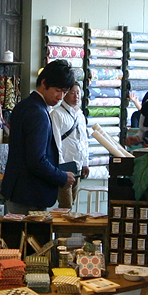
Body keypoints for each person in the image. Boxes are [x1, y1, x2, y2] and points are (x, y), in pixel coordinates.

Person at [0, 59, 78, 295]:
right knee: (24, 259)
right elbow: (36, 161)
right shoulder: (37, 112)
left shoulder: (26, 106)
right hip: (28, 195)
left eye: (65, 91)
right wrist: (61, 177)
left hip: (21, 191)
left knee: (25, 255)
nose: (60, 96)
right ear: (43, 83)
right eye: (58, 90)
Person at [49, 81, 90, 210]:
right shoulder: (57, 114)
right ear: (65, 94)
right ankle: (64, 224)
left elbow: (84, 140)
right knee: (65, 204)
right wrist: (60, 166)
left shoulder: (80, 115)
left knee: (72, 202)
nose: (76, 96)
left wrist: (85, 162)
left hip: (77, 165)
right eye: (72, 93)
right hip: (65, 166)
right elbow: (56, 142)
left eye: (78, 93)